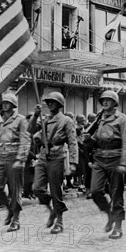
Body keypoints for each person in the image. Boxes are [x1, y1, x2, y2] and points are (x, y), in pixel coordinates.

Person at [83, 90, 126, 240]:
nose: (105, 102)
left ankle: (118, 225)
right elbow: (96, 140)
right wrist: (87, 139)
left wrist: (124, 163)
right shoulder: (98, 119)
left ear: (115, 103)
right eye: (103, 100)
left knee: (116, 193)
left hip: (115, 159)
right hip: (100, 159)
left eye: (108, 100)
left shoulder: (123, 119)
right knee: (95, 190)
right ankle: (109, 214)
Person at [29, 92, 78, 234]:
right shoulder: (44, 119)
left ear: (60, 104)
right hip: (43, 157)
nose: (49, 104)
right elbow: (29, 131)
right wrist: (35, 116)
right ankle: (52, 210)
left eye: (53, 102)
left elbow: (73, 142)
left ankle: (60, 221)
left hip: (57, 157)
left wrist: (73, 162)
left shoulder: (66, 121)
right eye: (48, 102)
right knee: (37, 188)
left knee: (56, 190)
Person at [0, 93, 29, 231]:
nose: (5, 105)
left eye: (8, 103)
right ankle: (9, 209)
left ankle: (16, 219)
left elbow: (25, 140)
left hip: (14, 156)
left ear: (13, 105)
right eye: (3, 103)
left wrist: (21, 158)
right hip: (1, 156)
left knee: (15, 190)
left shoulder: (20, 120)